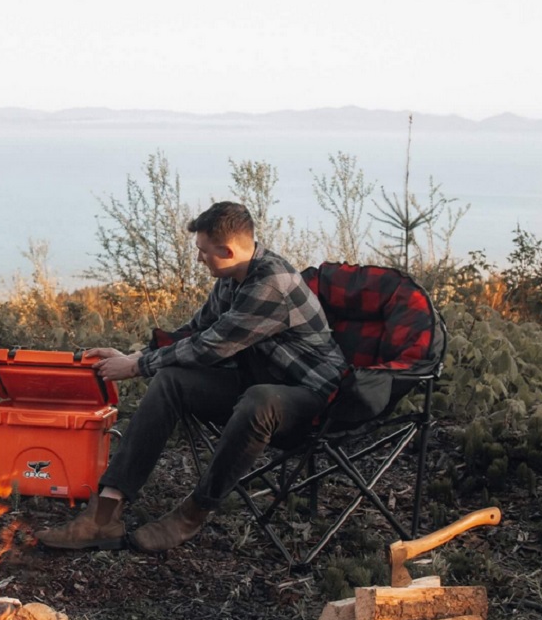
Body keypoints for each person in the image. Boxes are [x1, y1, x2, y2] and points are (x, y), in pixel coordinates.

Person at [35, 201, 347, 553]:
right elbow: (194, 331)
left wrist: (136, 368)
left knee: (260, 401)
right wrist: (136, 356)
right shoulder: (233, 276)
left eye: (203, 252)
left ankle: (191, 514)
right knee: (170, 380)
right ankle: (104, 515)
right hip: (256, 381)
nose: (199, 259)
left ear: (227, 250)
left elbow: (211, 347)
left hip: (310, 396)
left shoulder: (270, 283)